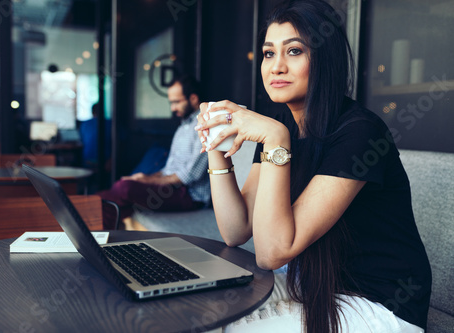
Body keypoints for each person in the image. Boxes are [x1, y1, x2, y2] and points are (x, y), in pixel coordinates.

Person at [195, 1, 431, 332]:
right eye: (268, 53)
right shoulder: (282, 122)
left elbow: (271, 253)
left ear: (324, 58)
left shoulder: (359, 132)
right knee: (199, 311)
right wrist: (215, 144)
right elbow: (237, 229)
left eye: (293, 51)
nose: (276, 66)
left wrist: (275, 140)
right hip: (315, 290)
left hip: (379, 304)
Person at [99, 75, 210, 223]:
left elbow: (189, 175)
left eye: (176, 102)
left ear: (194, 99)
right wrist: (144, 178)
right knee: (117, 201)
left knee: (125, 188)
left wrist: (148, 180)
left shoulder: (206, 125)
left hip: (190, 196)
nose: (172, 108)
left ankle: (83, 215)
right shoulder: (183, 126)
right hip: (172, 189)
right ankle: (90, 219)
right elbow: (168, 169)